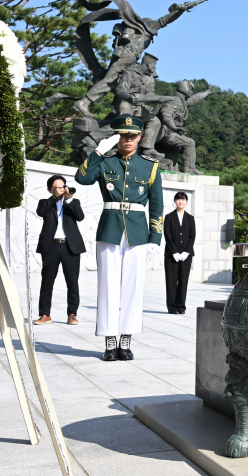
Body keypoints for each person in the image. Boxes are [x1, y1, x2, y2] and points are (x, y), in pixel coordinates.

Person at [74, 116, 164, 361]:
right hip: (110, 230)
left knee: (133, 288)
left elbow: (157, 206)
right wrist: (98, 152)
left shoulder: (150, 167)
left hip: (137, 232)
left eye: (132, 135)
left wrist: (155, 238)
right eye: (124, 135)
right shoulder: (106, 162)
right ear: (118, 137)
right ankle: (109, 341)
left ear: (139, 137)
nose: (128, 139)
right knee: (107, 287)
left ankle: (126, 340)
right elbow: (82, 178)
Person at [34, 175, 85, 326]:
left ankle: (72, 313)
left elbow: (80, 217)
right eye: (57, 187)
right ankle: (45, 314)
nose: (61, 189)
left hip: (70, 246)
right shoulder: (45, 202)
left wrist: (68, 200)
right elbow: (41, 212)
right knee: (47, 281)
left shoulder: (73, 202)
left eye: (63, 186)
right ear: (50, 189)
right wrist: (54, 198)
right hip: (51, 246)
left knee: (72, 282)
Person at [164, 191, 196, 314]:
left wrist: (186, 252)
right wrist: (174, 252)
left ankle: (181, 307)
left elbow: (192, 237)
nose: (180, 201)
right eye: (178, 199)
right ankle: (172, 307)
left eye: (183, 199)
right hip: (171, 255)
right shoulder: (169, 217)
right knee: (171, 281)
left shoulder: (190, 218)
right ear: (175, 201)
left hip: (186, 256)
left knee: (183, 281)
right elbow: (167, 236)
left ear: (186, 202)